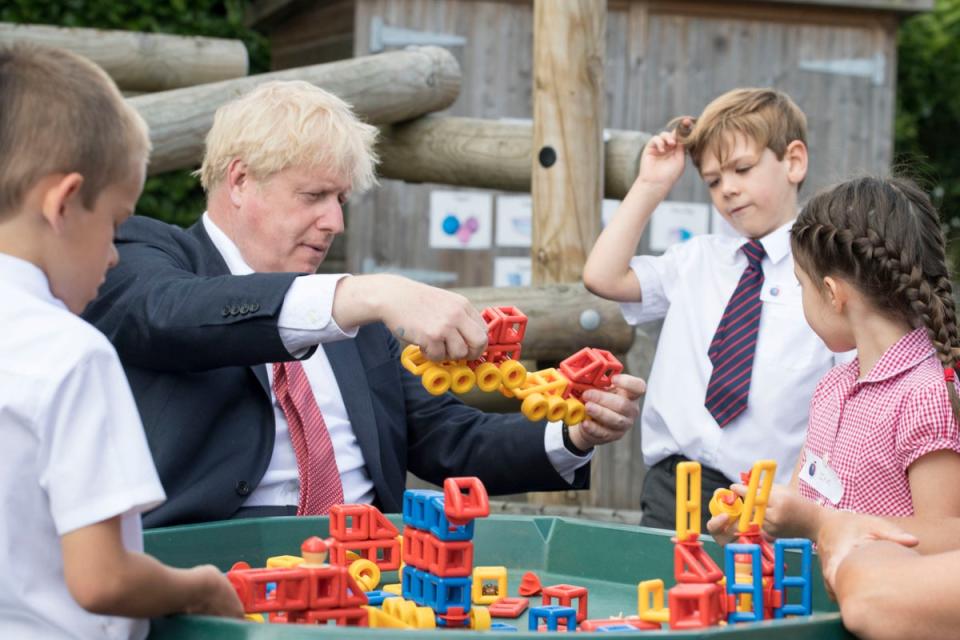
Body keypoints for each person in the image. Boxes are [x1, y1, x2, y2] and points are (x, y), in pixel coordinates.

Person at [83, 80, 647, 528]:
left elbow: (446, 438)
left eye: (341, 198)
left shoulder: (348, 308)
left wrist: (574, 435)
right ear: (239, 181)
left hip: (369, 562)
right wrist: (368, 292)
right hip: (220, 566)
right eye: (314, 196)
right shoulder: (147, 252)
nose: (335, 222)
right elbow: (171, 314)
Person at [0, 44, 243, 638]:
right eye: (113, 223)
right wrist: (203, 586)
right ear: (63, 203)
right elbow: (103, 579)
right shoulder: (71, 352)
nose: (114, 254)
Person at [582, 88, 836, 530]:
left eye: (742, 169)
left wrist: (796, 500)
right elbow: (603, 276)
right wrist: (651, 184)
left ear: (793, 161)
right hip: (674, 485)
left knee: (752, 598)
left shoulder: (827, 276)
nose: (728, 190)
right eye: (714, 181)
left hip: (770, 497)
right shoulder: (696, 261)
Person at [708, 176, 960, 544]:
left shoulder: (928, 395)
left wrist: (819, 524)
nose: (801, 296)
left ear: (831, 293)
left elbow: (948, 541)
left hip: (878, 601)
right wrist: (751, 523)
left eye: (800, 285)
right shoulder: (833, 388)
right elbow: (803, 503)